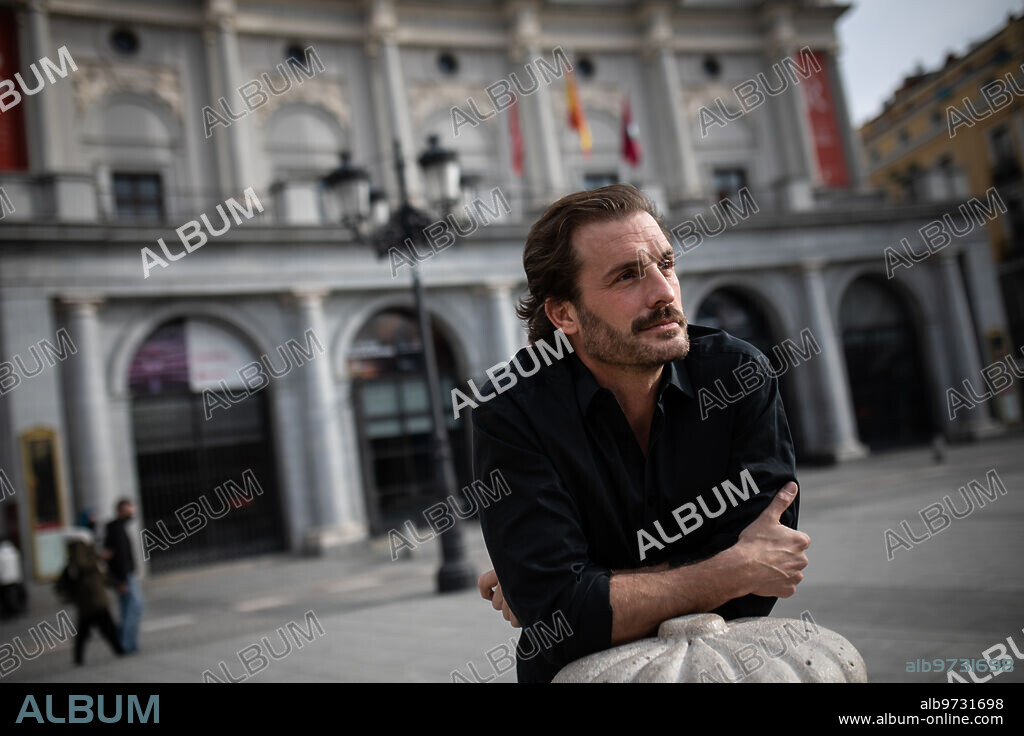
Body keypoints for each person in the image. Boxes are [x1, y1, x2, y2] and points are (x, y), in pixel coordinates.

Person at [472, 184, 811, 682]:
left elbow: (763, 579)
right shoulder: (511, 412)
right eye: (627, 276)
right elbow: (561, 618)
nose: (664, 293)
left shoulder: (739, 374)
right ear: (564, 313)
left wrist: (588, 590)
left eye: (666, 265)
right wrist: (723, 569)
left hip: (722, 666)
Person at [59, 534, 124, 665]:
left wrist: (116, 584)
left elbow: (101, 576)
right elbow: (93, 572)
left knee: (87, 630)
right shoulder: (84, 557)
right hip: (93, 601)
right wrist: (99, 558)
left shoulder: (83, 558)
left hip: (90, 603)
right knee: (105, 627)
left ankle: (79, 658)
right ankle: (119, 650)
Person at [104, 498, 143, 654]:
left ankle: (129, 644)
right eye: (128, 511)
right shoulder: (115, 530)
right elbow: (116, 558)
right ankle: (125, 644)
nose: (131, 514)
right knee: (134, 607)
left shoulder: (119, 528)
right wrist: (120, 581)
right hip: (124, 577)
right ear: (120, 511)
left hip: (127, 575)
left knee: (129, 609)